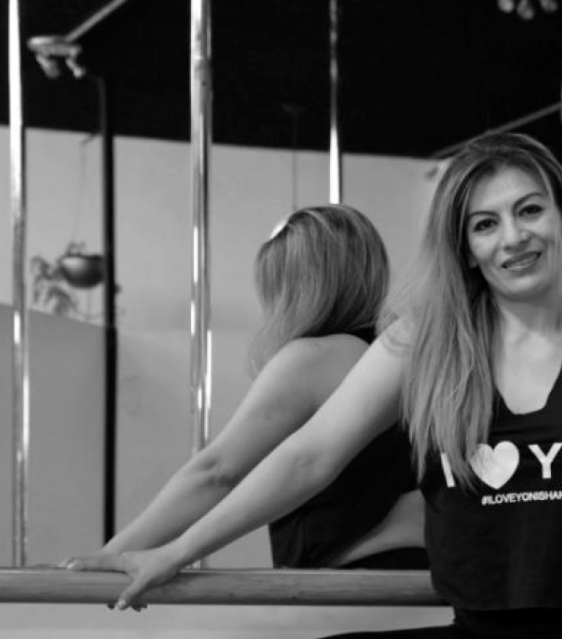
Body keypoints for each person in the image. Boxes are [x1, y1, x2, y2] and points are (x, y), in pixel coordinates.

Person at [66, 133, 562, 637]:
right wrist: (171, 551)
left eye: (529, 210)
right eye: (485, 224)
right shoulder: (419, 345)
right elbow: (305, 458)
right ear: (467, 249)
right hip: (487, 627)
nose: (513, 237)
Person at [65, 204, 426, 572]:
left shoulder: (313, 359)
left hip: (356, 578)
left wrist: (113, 554)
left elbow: (218, 472)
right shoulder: (395, 355)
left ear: (292, 288)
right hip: (418, 572)